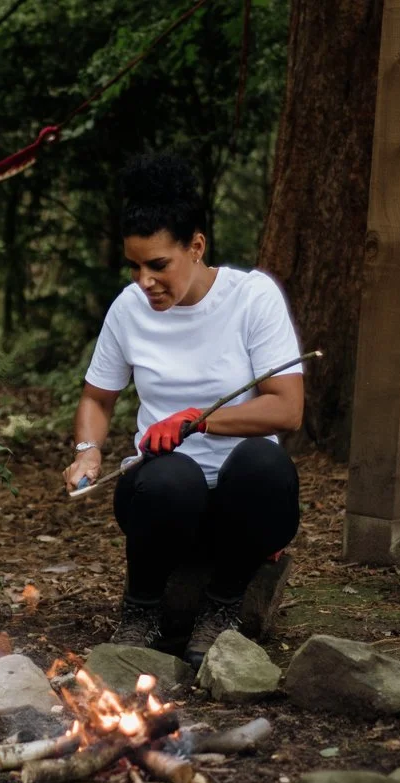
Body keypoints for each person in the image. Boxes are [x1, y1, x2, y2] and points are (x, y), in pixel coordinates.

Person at [62, 152, 303, 668]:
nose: (144, 280)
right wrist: (87, 452)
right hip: (161, 505)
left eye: (158, 265)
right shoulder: (129, 309)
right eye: (134, 265)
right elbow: (97, 398)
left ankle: (224, 606)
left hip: (244, 505)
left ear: (196, 247)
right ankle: (142, 609)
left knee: (264, 463)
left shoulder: (252, 298)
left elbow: (287, 409)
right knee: (172, 478)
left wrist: (199, 419)